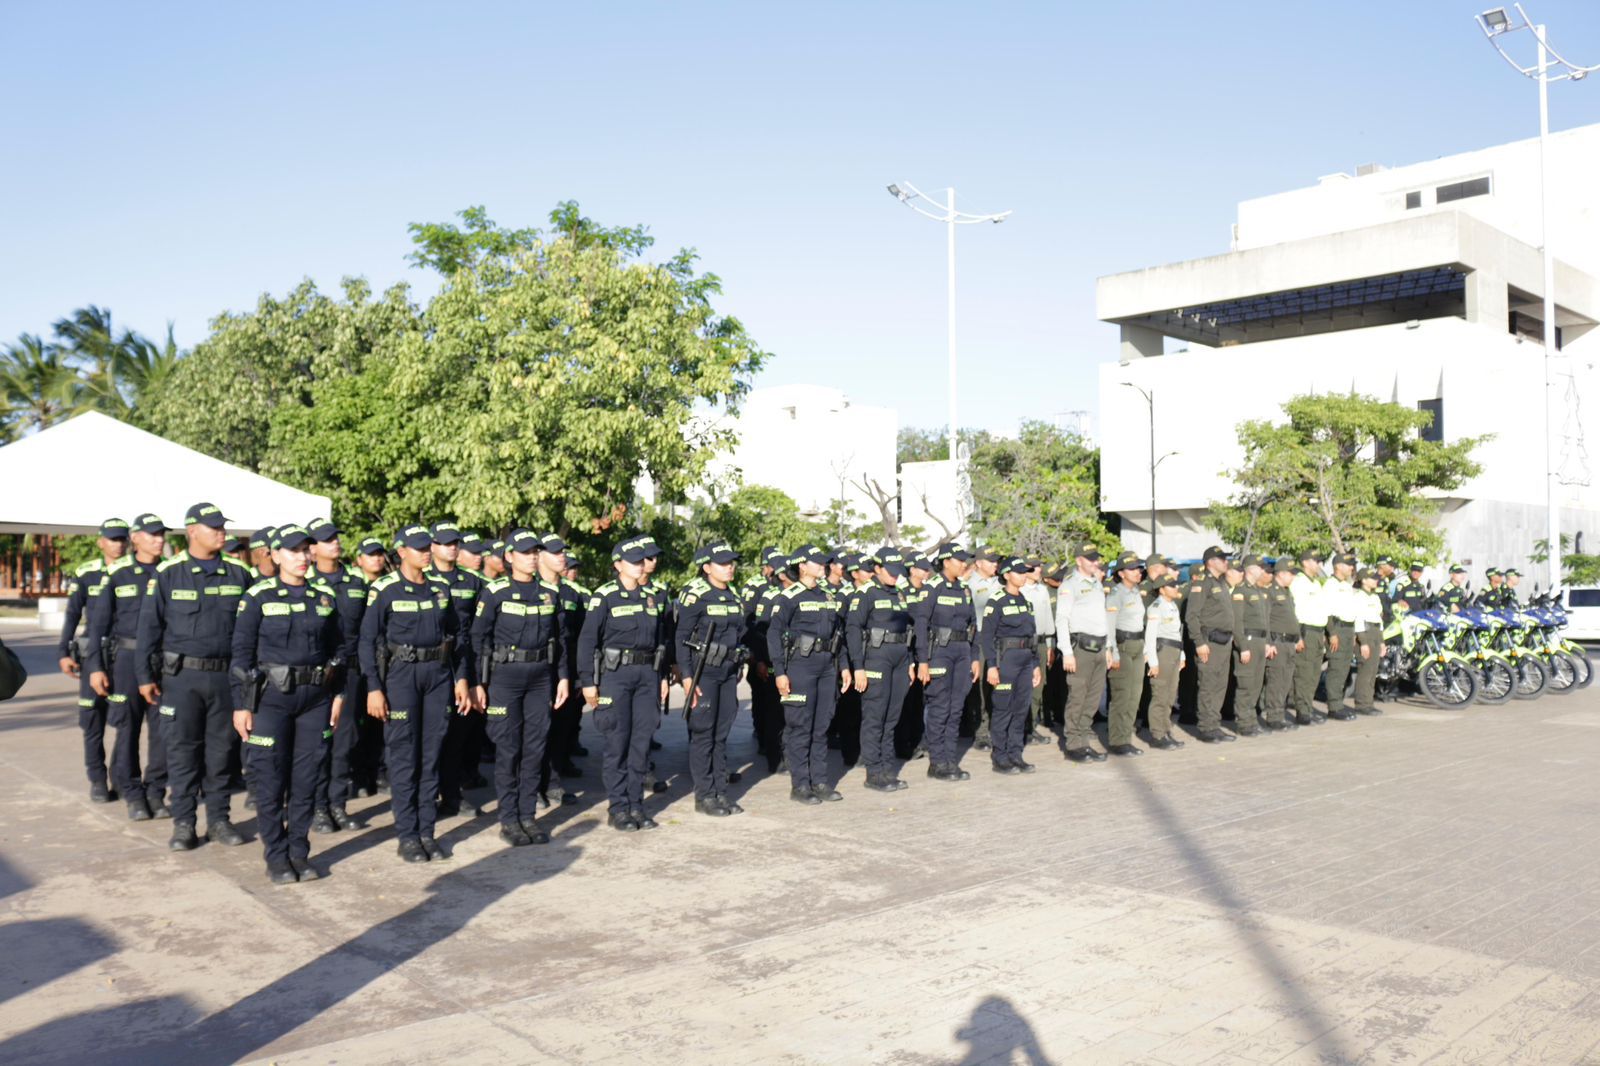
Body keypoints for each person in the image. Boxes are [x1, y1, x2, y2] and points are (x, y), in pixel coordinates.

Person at [231, 524, 348, 883]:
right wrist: (241, 704)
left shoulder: (324, 598)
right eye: (294, 551)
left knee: (307, 779)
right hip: (271, 700)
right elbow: (241, 654)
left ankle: (299, 851)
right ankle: (277, 856)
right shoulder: (258, 597)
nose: (302, 557)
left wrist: (339, 695)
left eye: (306, 551)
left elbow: (339, 650)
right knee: (270, 779)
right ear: (276, 555)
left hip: (315, 700)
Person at [135, 503, 254, 850]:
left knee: (221, 754)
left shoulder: (238, 573)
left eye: (222, 526)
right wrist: (145, 675)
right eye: (213, 526)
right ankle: (184, 824)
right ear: (191, 531)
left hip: (225, 678)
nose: (222, 532)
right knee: (182, 754)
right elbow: (149, 629)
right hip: (181, 679)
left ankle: (219, 820)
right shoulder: (169, 573)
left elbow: (251, 630)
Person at [360, 525, 474, 863]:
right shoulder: (384, 589)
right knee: (404, 757)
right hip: (401, 677)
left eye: (430, 546)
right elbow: (367, 641)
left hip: (438, 676)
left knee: (431, 754)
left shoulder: (440, 590)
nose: (427, 551)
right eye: (419, 547)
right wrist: (374, 688)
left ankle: (427, 832)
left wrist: (462, 678)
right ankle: (408, 835)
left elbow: (458, 636)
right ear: (402, 551)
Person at [471, 529, 569, 845]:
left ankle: (528, 816)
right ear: (510, 557)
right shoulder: (495, 592)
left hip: (540, 678)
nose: (532, 557)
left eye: (535, 552)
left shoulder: (549, 593)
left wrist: (564, 676)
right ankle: (509, 819)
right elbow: (478, 639)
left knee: (534, 748)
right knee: (509, 749)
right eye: (525, 552)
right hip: (505, 678)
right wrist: (478, 682)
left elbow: (561, 639)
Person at [577, 536, 669, 831]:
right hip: (615, 677)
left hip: (646, 677)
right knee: (617, 742)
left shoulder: (650, 597)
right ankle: (618, 807)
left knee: (641, 744)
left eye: (642, 560)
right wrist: (588, 683)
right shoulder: (604, 596)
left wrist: (662, 677)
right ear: (618, 565)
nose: (640, 565)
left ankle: (636, 805)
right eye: (634, 561)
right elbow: (587, 641)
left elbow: (658, 642)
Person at [86, 513, 169, 820]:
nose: (159, 540)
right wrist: (95, 666)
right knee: (128, 730)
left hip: (163, 662)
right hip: (126, 661)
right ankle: (133, 793)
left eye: (161, 534)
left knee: (163, 733)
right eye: (152, 534)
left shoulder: (170, 572)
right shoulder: (119, 574)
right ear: (135, 538)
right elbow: (98, 626)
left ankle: (156, 791)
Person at [767, 544, 850, 806]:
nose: (823, 566)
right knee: (800, 726)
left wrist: (844, 666)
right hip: (801, 666)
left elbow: (840, 634)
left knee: (821, 725)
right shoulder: (789, 597)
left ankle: (820, 780)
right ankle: (800, 784)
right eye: (817, 562)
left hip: (827, 665)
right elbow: (774, 634)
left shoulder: (827, 596)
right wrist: (779, 672)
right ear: (802, 566)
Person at [675, 542, 748, 816]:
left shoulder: (734, 596)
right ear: (707, 568)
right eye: (723, 563)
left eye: (732, 562)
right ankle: (705, 795)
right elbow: (681, 638)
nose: (730, 567)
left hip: (727, 673)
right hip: (703, 672)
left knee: (721, 734)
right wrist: (685, 675)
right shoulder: (696, 596)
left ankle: (720, 791)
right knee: (704, 734)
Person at [58, 518, 128, 803]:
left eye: (122, 538)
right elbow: (73, 614)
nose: (118, 544)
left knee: (127, 721)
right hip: (92, 656)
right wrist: (63, 651)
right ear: (101, 542)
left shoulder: (136, 572)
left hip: (123, 654)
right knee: (92, 720)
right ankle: (97, 779)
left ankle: (122, 776)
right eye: (112, 539)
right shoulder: (87, 573)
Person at [304, 518, 366, 833]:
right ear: (312, 549)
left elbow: (367, 630)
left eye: (335, 539)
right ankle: (317, 808)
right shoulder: (304, 582)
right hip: (316, 672)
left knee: (344, 739)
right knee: (317, 740)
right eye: (326, 540)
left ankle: (337, 805)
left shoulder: (356, 580)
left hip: (350, 670)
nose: (335, 544)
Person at [427, 521, 486, 817]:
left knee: (456, 736)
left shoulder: (473, 582)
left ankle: (451, 794)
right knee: (430, 737)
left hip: (463, 662)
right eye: (445, 543)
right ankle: (427, 796)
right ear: (433, 546)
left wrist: (474, 678)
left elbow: (480, 630)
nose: (452, 547)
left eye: (455, 543)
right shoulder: (421, 579)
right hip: (429, 667)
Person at [846, 548, 916, 792]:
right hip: (875, 659)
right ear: (877, 568)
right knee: (875, 716)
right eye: (891, 571)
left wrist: (910, 662)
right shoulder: (866, 593)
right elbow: (853, 629)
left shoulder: (900, 593)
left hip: (899, 659)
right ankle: (873, 772)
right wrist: (858, 668)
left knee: (892, 717)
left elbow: (908, 630)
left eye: (899, 572)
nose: (896, 576)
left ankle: (887, 768)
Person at [912, 544, 979, 781]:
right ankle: (937, 762)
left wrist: (975, 657)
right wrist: (922, 661)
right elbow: (921, 625)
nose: (964, 564)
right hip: (939, 651)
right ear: (946, 561)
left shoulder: (965, 590)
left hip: (962, 652)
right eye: (960, 560)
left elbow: (973, 625)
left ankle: (950, 760)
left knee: (956, 708)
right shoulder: (932, 588)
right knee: (940, 708)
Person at [981, 557, 1043, 775]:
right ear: (1006, 575)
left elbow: (1032, 635)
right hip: (1005, 660)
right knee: (1003, 709)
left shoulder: (1026, 602)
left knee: (1020, 709)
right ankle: (1000, 757)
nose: (1024, 576)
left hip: (1026, 660)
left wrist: (1035, 664)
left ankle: (1016, 754)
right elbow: (987, 636)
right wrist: (991, 665)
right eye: (1019, 572)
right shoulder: (996, 601)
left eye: (1025, 572)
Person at [538, 533, 585, 806]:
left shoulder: (571, 593)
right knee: (534, 732)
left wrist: (577, 677)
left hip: (564, 672)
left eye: (563, 552)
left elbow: (578, 637)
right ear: (540, 556)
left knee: (559, 729)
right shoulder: (530, 589)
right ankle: (533, 786)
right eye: (555, 552)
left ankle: (553, 782)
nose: (562, 556)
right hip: (535, 669)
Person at [1055, 541, 1112, 762]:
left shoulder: (1096, 583)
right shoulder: (1069, 585)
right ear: (1079, 560)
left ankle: (1083, 739)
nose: (1095, 562)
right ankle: (1073, 744)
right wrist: (1067, 651)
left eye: (1096, 558)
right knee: (1078, 696)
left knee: (1093, 697)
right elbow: (1062, 618)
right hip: (1080, 647)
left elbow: (1102, 618)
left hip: (1099, 646)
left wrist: (1108, 647)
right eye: (1090, 558)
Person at [1185, 545, 1237, 744]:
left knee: (1219, 686)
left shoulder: (1221, 583)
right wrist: (1199, 642)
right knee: (1208, 685)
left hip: (1223, 642)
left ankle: (1214, 725)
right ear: (1211, 562)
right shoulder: (1203, 583)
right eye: (1222, 558)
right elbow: (1192, 616)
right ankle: (1206, 727)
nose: (1226, 562)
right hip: (1210, 642)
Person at [1104, 551, 1147, 756]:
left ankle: (1126, 735)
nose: (1138, 572)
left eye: (1139, 568)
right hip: (1122, 645)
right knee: (1122, 694)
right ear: (1121, 573)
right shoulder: (1116, 594)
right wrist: (1113, 652)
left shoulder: (1136, 592)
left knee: (1135, 695)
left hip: (1138, 644)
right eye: (1132, 569)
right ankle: (1118, 740)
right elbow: (1109, 626)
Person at [1140, 575, 1186, 749]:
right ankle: (1157, 735)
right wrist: (1153, 661)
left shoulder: (1173, 606)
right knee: (1160, 694)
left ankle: (1166, 730)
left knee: (1170, 695)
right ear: (1161, 589)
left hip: (1174, 650)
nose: (1176, 588)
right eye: (1172, 586)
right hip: (1162, 652)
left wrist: (1182, 656)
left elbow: (1176, 634)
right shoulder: (1155, 608)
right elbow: (1150, 636)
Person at [1228, 555, 1270, 737]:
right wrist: (1242, 646)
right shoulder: (1240, 591)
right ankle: (1244, 723)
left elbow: (1265, 621)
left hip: (1260, 642)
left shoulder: (1258, 591)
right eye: (1259, 566)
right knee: (1246, 684)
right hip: (1249, 641)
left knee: (1256, 685)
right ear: (1250, 569)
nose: (1262, 570)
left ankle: (1251, 720)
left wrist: (1267, 642)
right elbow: (1237, 622)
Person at [965, 546, 1002, 748]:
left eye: (996, 561)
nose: (995, 564)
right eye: (990, 561)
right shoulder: (969, 584)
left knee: (998, 685)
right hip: (980, 639)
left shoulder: (1001, 583)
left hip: (1000, 639)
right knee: (979, 687)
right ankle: (980, 730)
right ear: (978, 563)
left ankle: (996, 726)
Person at [1289, 549, 1330, 727]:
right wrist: (1297, 636)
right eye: (1316, 561)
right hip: (1305, 631)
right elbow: (1294, 612)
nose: (1319, 565)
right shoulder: (1299, 583)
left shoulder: (1315, 583)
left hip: (1318, 632)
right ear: (1305, 562)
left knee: (1314, 673)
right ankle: (1303, 712)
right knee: (1304, 673)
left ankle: (1308, 708)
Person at [1260, 559, 1301, 731]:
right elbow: (1265, 619)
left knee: (1285, 681)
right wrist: (1268, 642)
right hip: (1277, 642)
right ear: (1282, 573)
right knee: (1276, 681)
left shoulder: (1286, 592)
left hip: (1289, 642)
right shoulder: (1270, 592)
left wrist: (1297, 637)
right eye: (1291, 573)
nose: (1293, 577)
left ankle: (1279, 714)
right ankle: (1274, 718)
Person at [1021, 560, 1058, 740]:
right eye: (1033, 568)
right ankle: (1021, 725)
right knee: (1023, 686)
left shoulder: (1042, 589)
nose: (1038, 570)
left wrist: (1050, 646)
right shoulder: (1019, 589)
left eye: (1039, 567)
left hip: (1042, 643)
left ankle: (1030, 726)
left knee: (1039, 685)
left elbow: (1049, 621)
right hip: (1024, 643)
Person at [1321, 552, 1359, 722]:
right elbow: (1327, 611)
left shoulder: (1346, 585)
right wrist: (1332, 633)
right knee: (1336, 669)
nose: (1351, 567)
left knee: (1344, 669)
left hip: (1348, 629)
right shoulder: (1330, 585)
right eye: (1348, 564)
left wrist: (1353, 634)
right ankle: (1334, 707)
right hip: (1337, 628)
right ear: (1338, 566)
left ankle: (1339, 703)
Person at [1351, 569, 1385, 717]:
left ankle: (1368, 702)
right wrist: (1363, 642)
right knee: (1365, 670)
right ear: (1364, 580)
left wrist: (1382, 641)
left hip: (1376, 633)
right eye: (1372, 578)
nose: (1376, 580)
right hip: (1365, 633)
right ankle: (1361, 704)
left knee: (1372, 671)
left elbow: (1379, 620)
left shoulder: (1375, 597)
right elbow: (1358, 620)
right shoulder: (1358, 596)